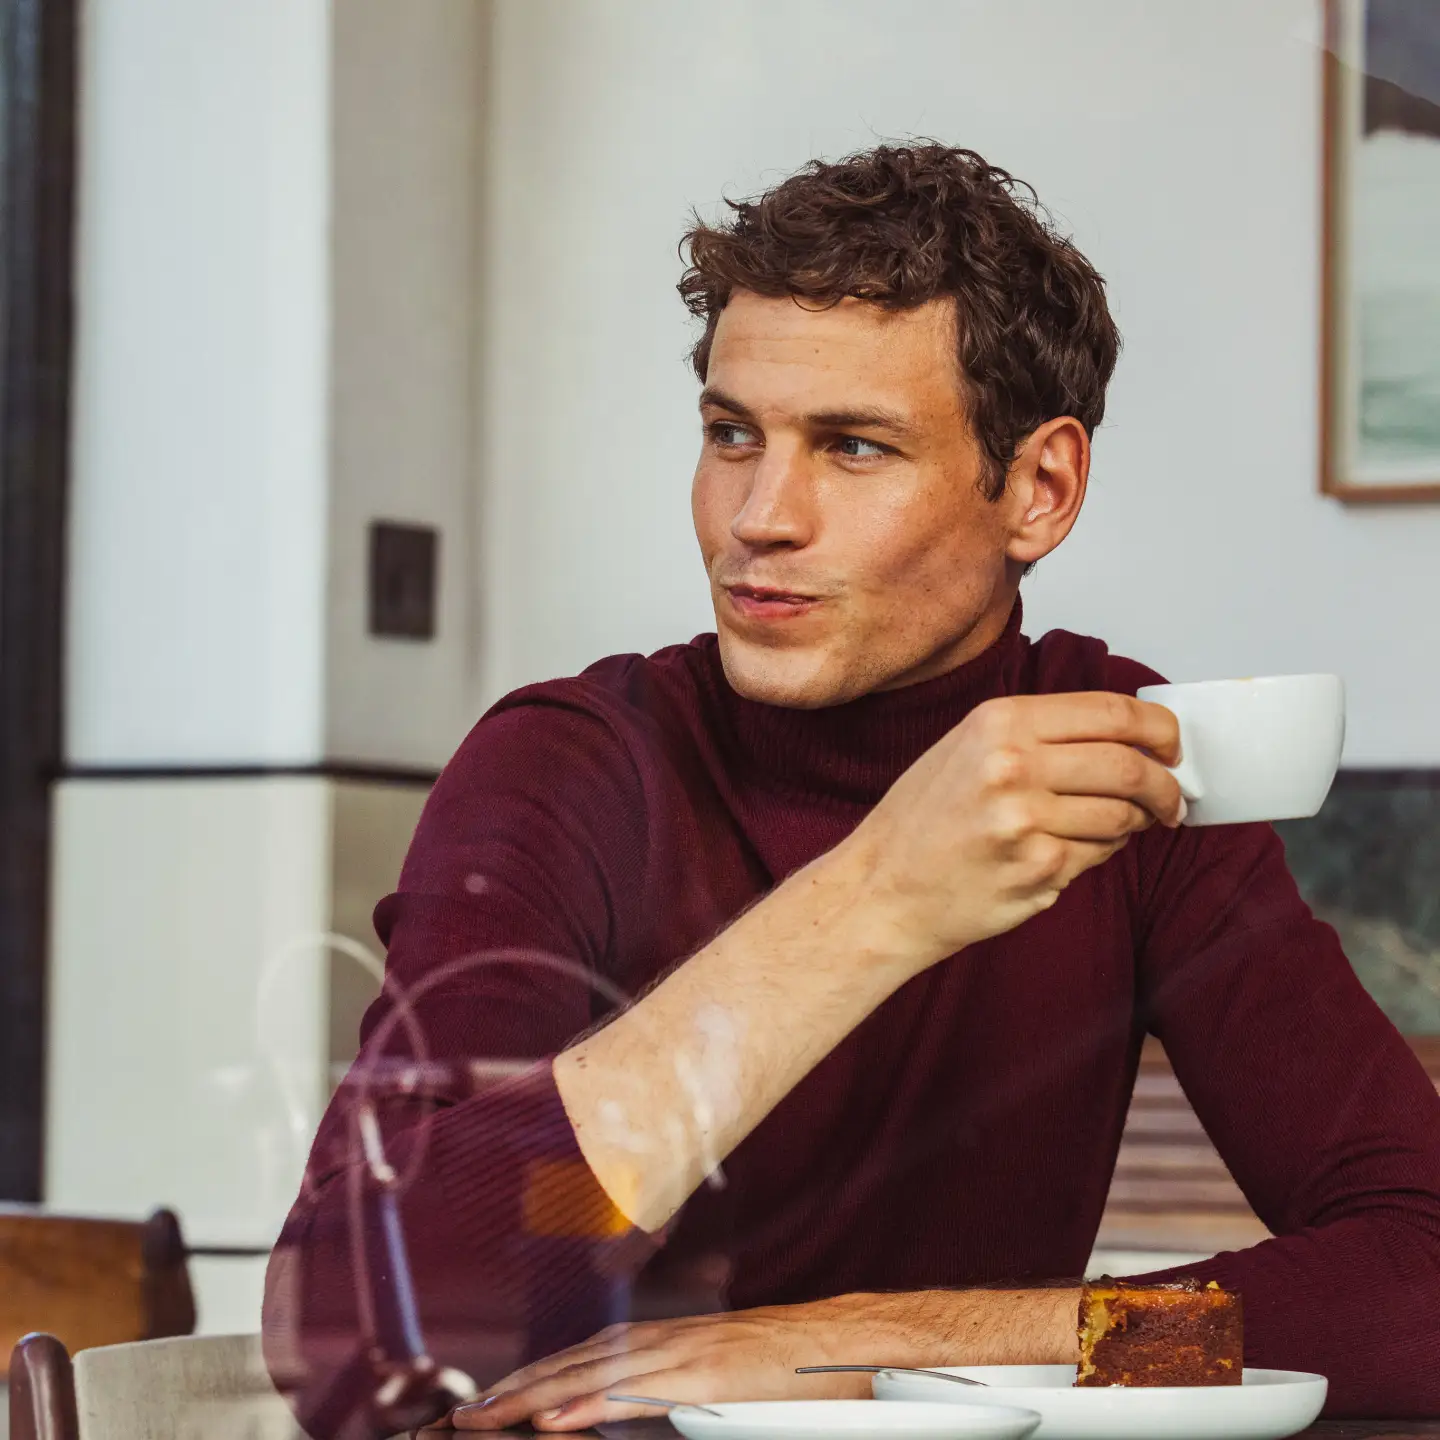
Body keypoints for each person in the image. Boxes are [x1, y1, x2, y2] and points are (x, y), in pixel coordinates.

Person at [263, 144, 1440, 1437]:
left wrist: (882, 1344)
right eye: (731, 435)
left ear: (1039, 490)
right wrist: (880, 898)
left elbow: (1420, 1279)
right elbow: (351, 1339)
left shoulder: (1121, 771)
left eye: (855, 447)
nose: (759, 516)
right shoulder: (569, 771)